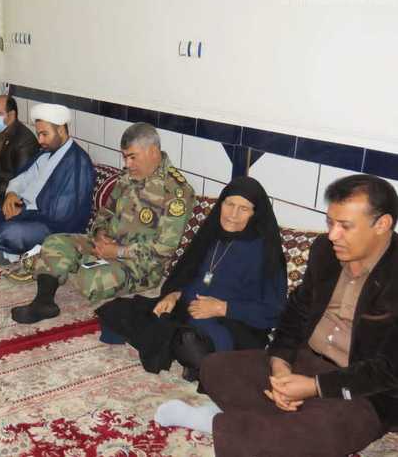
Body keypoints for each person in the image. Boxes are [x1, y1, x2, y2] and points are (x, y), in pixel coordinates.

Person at [156, 174, 398, 457]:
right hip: (305, 360)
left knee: (324, 429)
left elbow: (389, 370)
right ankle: (273, 421)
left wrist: (315, 387)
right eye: (330, 223)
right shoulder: (325, 251)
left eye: (345, 226)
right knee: (215, 368)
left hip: (363, 387)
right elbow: (295, 314)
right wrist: (281, 365)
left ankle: (221, 423)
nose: (333, 235)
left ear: (382, 224)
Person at [96, 176, 287, 380]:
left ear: (255, 213)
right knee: (117, 310)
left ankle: (200, 361)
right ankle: (193, 360)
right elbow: (185, 273)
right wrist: (174, 294)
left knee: (189, 340)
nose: (233, 214)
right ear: (221, 204)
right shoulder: (212, 233)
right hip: (187, 310)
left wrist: (222, 308)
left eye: (244, 209)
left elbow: (273, 310)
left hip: (233, 323)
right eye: (229, 204)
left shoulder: (266, 252)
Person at [11, 122, 195, 324]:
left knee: (88, 278)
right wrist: (99, 233)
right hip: (106, 245)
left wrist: (117, 252)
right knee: (54, 242)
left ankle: (66, 265)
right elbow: (106, 212)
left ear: (152, 151)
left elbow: (164, 248)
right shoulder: (127, 178)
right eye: (125, 157)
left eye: (132, 157)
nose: (127, 164)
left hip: (140, 265)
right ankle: (43, 302)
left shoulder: (176, 191)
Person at [0, 103, 95, 265]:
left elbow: (61, 213)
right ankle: (5, 247)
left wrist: (23, 211)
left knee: (9, 232)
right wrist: (12, 194)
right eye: (39, 134)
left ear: (61, 130)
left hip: (54, 227)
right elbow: (23, 178)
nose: (40, 140)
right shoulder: (46, 153)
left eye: (44, 134)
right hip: (25, 210)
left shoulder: (77, 163)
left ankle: (10, 249)